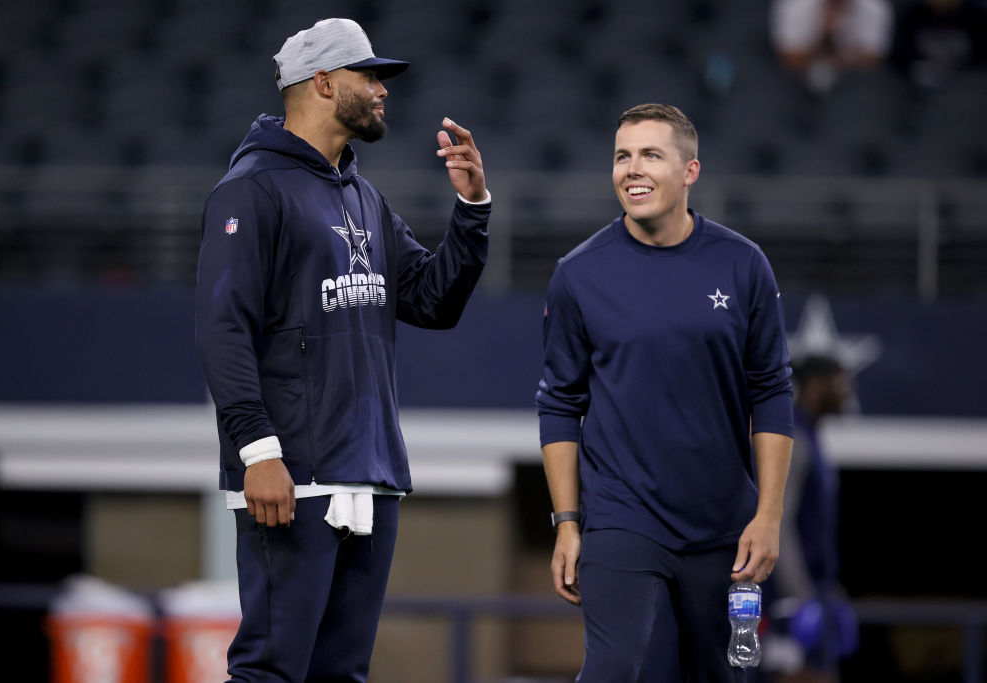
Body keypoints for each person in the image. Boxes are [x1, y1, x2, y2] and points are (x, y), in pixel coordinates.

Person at [194, 18, 490, 682]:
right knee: (272, 668)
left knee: (341, 674)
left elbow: (433, 301)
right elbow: (222, 328)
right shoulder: (251, 189)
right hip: (290, 475)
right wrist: (258, 452)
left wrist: (471, 209)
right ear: (323, 82)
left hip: (369, 471)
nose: (382, 89)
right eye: (369, 74)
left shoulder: (365, 198)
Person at [535, 103, 794, 682]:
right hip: (621, 521)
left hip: (725, 531)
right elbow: (558, 403)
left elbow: (772, 391)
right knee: (615, 672)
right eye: (622, 156)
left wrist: (769, 515)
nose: (633, 169)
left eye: (651, 154)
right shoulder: (578, 274)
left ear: (690, 171)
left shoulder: (743, 264)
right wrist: (568, 523)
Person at [765, 355, 857, 682]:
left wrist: (829, 593)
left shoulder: (812, 438)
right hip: (791, 602)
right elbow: (780, 524)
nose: (848, 392)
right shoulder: (795, 441)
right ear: (816, 386)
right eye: (840, 382)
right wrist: (801, 598)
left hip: (814, 593)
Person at [770, 0, 894, 93]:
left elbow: (873, 62)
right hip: (797, 83)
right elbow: (791, 61)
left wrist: (842, 35)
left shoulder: (874, 7)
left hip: (853, 85)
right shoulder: (795, 5)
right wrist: (823, 32)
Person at [890, 0, 987, 90]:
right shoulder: (911, 14)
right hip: (918, 89)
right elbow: (898, 62)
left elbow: (981, 61)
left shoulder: (976, 15)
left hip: (968, 88)